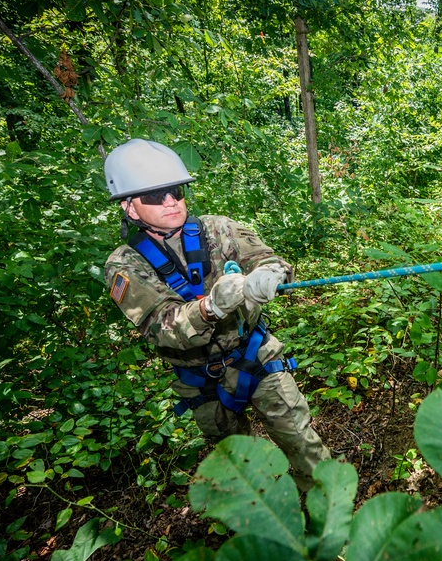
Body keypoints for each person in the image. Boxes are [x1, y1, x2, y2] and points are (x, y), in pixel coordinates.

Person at [103, 138, 330, 491]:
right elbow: (162, 327)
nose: (170, 202)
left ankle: (329, 514)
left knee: (302, 443)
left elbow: (267, 260)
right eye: (154, 196)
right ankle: (266, 525)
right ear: (130, 208)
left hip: (255, 356)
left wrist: (269, 274)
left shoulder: (218, 229)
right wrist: (211, 307)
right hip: (201, 379)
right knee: (239, 468)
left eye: (175, 191)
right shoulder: (125, 264)